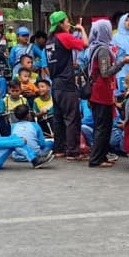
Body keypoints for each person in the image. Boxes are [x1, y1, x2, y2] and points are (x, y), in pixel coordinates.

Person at [86, 19, 129, 168]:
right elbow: (105, 72)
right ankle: (96, 159)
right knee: (103, 127)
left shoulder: (94, 47)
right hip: (101, 93)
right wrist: (122, 62)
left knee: (104, 126)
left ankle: (102, 155)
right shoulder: (103, 50)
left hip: (99, 92)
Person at [46, 11, 88, 160]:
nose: (69, 24)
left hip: (55, 83)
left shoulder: (50, 40)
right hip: (66, 83)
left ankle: (59, 149)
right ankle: (73, 151)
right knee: (72, 118)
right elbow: (85, 44)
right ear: (60, 24)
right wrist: (82, 30)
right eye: (66, 21)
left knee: (58, 119)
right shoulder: (64, 37)